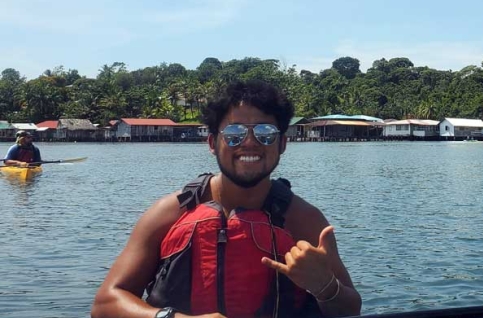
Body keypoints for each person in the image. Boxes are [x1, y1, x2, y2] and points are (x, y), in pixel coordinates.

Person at [91, 80, 362, 318]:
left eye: (265, 133)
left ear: (282, 144)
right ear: (212, 143)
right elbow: (105, 304)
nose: (250, 143)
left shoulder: (305, 222)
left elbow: (350, 309)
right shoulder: (168, 215)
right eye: (234, 135)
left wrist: (325, 287)